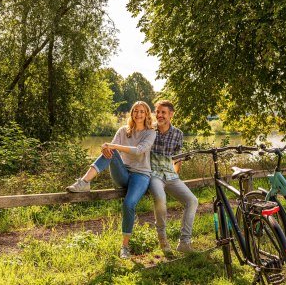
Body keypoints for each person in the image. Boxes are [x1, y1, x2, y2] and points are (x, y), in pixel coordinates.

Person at [66, 101, 156, 259]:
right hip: (123, 173)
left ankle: (125, 247)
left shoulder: (150, 132)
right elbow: (110, 148)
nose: (138, 114)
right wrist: (105, 148)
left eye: (142, 111)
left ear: (147, 114)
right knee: (110, 151)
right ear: (132, 113)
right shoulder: (123, 131)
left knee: (128, 204)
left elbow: (139, 151)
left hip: (141, 175)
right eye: (135, 111)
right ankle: (84, 182)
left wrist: (113, 146)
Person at [149, 100, 198, 253]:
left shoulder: (178, 134)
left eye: (163, 112)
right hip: (154, 174)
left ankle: (184, 242)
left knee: (192, 201)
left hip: (170, 175)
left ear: (171, 114)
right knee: (161, 198)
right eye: (158, 112)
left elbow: (178, 158)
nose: (160, 115)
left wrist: (175, 178)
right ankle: (163, 239)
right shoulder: (149, 130)